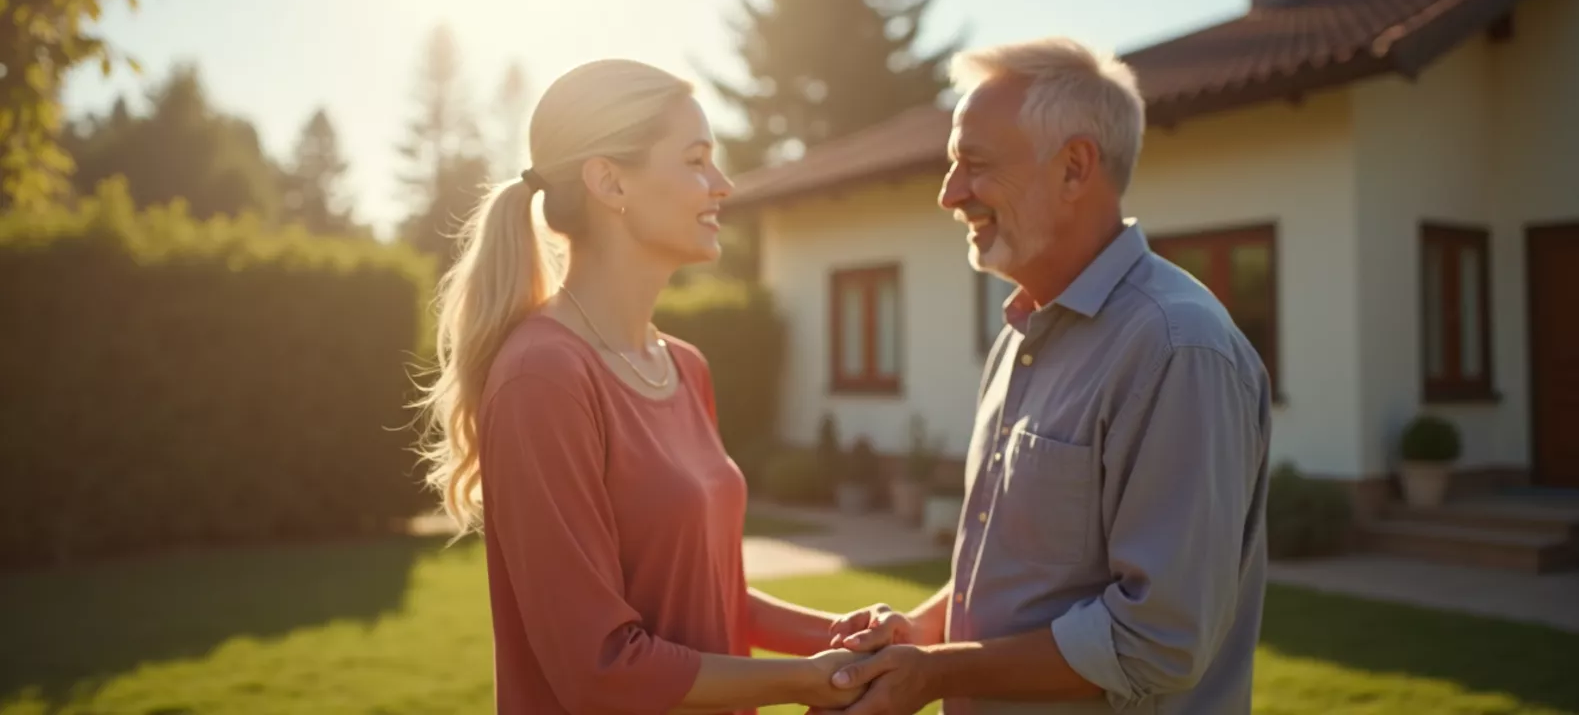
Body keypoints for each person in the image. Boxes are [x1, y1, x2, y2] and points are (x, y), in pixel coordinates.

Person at [816, 37, 1274, 714]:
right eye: (951, 165)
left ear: (1074, 167)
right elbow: (1024, 577)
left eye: (974, 164)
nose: (949, 194)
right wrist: (924, 632)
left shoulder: (1177, 348)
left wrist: (936, 673)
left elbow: (1158, 640)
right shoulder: (1019, 338)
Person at [413, 58, 869, 714]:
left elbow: (708, 596)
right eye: (695, 160)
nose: (722, 184)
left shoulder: (684, 366)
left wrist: (840, 637)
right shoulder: (543, 378)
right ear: (609, 181)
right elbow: (601, 669)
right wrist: (810, 682)